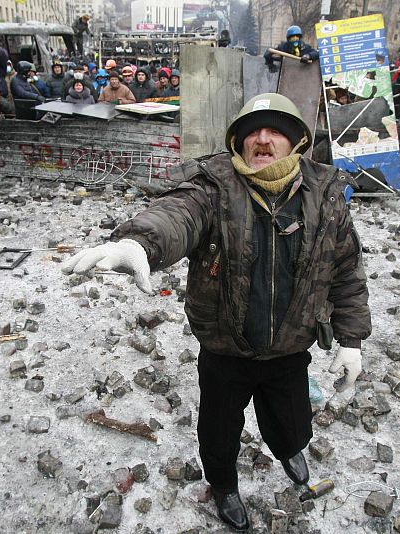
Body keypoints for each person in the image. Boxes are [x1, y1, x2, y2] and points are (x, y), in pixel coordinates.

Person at [61, 93, 371, 532]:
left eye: (275, 130)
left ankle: (289, 450)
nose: (262, 139)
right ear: (238, 143)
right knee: (219, 432)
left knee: (292, 423)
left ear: (299, 141)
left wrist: (351, 339)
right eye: (251, 132)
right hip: (225, 349)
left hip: (290, 348)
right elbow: (175, 216)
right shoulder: (214, 187)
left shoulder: (325, 196)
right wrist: (136, 243)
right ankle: (224, 485)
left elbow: (346, 271)